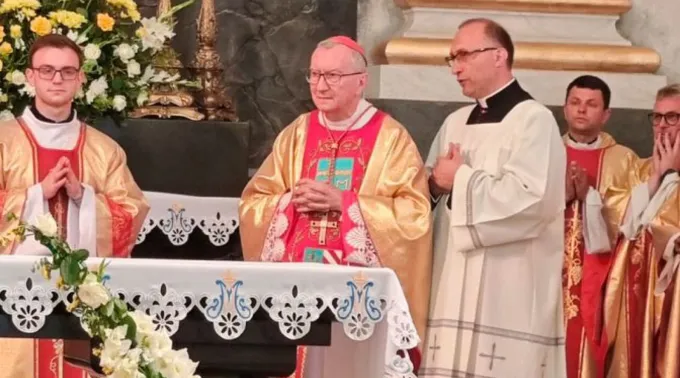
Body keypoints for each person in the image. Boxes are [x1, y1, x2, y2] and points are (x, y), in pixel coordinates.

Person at [238, 36, 433, 376]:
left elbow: (414, 216)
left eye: (332, 76)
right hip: (296, 289)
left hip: (357, 292)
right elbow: (255, 201)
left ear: (361, 80)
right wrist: (287, 204)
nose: (320, 85)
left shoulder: (391, 138)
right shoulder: (297, 133)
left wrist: (346, 203)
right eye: (314, 75)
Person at [421, 18, 566, 377]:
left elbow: (534, 201)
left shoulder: (534, 121)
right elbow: (427, 186)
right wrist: (436, 186)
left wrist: (462, 180)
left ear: (499, 55)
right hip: (450, 280)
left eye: (464, 55)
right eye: (451, 58)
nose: (456, 67)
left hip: (508, 290)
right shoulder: (454, 122)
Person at [0, 34, 149, 377]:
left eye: (68, 71)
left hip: (79, 301)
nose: (57, 79)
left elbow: (132, 211)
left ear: (81, 78)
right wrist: (36, 194)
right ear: (30, 76)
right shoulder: (4, 141)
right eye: (48, 70)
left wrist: (83, 197)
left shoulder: (104, 150)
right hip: (11, 299)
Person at [560, 75, 639, 378]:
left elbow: (631, 223)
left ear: (606, 114)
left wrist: (590, 199)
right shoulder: (544, 152)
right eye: (575, 103)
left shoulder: (624, 161)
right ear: (565, 109)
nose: (582, 110)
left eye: (591, 104)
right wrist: (563, 197)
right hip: (545, 273)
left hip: (599, 280)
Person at [601, 84, 680, 378]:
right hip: (639, 293)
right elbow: (621, 223)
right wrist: (658, 178)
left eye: (672, 118)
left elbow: (666, 225)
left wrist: (671, 177)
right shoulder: (639, 168)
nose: (662, 126)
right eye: (657, 117)